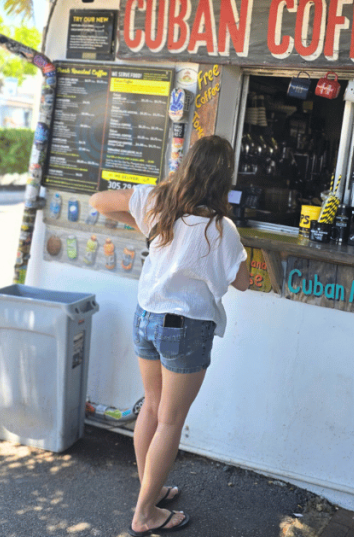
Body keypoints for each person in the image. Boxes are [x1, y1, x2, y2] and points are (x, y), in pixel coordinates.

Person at [89, 135, 251, 537]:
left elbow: (99, 203)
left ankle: (152, 488)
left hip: (146, 317)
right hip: (185, 327)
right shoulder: (221, 228)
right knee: (171, 421)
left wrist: (145, 221)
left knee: (153, 407)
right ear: (222, 178)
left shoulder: (157, 202)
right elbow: (243, 281)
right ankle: (145, 513)